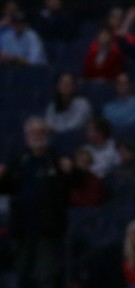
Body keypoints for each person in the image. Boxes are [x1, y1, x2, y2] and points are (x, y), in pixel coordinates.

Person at [0, 117, 70, 288]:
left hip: (48, 228)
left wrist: (69, 171)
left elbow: (70, 187)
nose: (36, 136)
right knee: (22, 274)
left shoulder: (56, 158)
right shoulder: (19, 159)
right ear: (26, 136)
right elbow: (7, 188)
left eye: (40, 132)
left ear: (47, 134)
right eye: (32, 132)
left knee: (45, 276)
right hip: (21, 227)